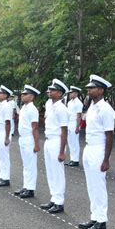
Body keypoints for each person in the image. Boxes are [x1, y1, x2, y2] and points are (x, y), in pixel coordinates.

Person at [77, 74, 115, 229]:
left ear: (100, 90)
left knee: (99, 186)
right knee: (91, 185)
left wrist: (106, 159)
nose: (89, 90)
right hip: (89, 147)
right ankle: (94, 217)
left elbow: (109, 135)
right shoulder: (92, 107)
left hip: (99, 149)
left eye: (92, 88)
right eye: (88, 88)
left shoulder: (106, 109)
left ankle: (101, 221)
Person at [40, 79, 69, 213]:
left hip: (57, 141)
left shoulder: (62, 108)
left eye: (52, 90)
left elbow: (64, 130)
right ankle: (53, 198)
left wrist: (62, 151)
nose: (49, 92)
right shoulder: (49, 104)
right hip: (48, 139)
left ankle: (59, 201)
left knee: (57, 172)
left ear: (59, 93)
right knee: (50, 171)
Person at [14, 84, 41, 198]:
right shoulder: (24, 108)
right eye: (23, 94)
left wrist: (36, 144)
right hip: (22, 138)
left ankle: (30, 189)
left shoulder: (32, 109)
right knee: (25, 165)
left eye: (26, 94)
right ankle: (26, 186)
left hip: (29, 139)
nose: (23, 96)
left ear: (32, 97)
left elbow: (35, 127)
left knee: (30, 165)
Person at [0, 85, 13, 187]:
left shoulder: (6, 105)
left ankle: (6, 178)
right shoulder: (0, 105)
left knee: (5, 157)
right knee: (1, 157)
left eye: (0, 93)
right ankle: (2, 176)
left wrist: (7, 137)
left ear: (5, 95)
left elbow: (8, 122)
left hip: (4, 133)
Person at [65, 86, 83, 167]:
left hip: (74, 123)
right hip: (69, 123)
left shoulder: (78, 103)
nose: (70, 94)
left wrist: (77, 127)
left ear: (76, 93)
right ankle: (72, 159)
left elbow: (79, 116)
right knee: (70, 142)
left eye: (71, 93)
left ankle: (75, 160)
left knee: (75, 142)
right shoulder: (69, 102)